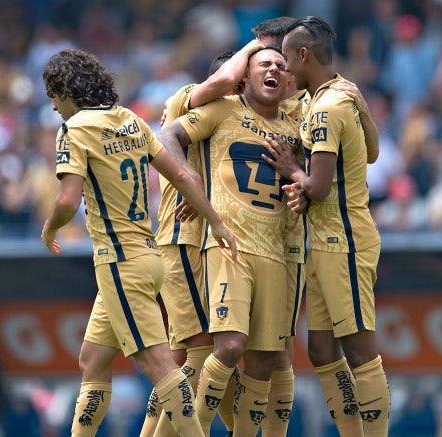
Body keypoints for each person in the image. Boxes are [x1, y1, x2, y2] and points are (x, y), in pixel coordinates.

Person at [40, 48, 237, 437]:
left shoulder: (75, 129)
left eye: (54, 96)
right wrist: (215, 221)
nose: (52, 107)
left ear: (67, 91)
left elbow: (67, 199)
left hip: (119, 262)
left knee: (159, 365)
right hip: (148, 258)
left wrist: (49, 229)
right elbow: (182, 177)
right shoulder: (130, 121)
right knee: (92, 359)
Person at [158, 45, 297, 437]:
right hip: (221, 245)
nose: (272, 70)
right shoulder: (217, 107)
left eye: (280, 66)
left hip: (276, 251)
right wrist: (189, 181)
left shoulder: (293, 125)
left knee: (267, 361)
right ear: (243, 77)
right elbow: (165, 136)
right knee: (216, 348)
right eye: (262, 64)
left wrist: (297, 175)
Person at [252, 17, 382, 437]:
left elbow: (320, 187)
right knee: (322, 349)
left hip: (344, 240)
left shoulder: (327, 108)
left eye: (287, 57)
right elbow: (373, 152)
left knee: (359, 349)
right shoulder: (327, 98)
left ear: (304, 55)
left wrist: (292, 169)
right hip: (322, 241)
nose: (283, 67)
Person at [141, 40, 264, 437]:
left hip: (204, 242)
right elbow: (226, 77)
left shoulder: (233, 121)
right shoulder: (186, 103)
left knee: (184, 359)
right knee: (201, 349)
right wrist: (259, 41)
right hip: (185, 238)